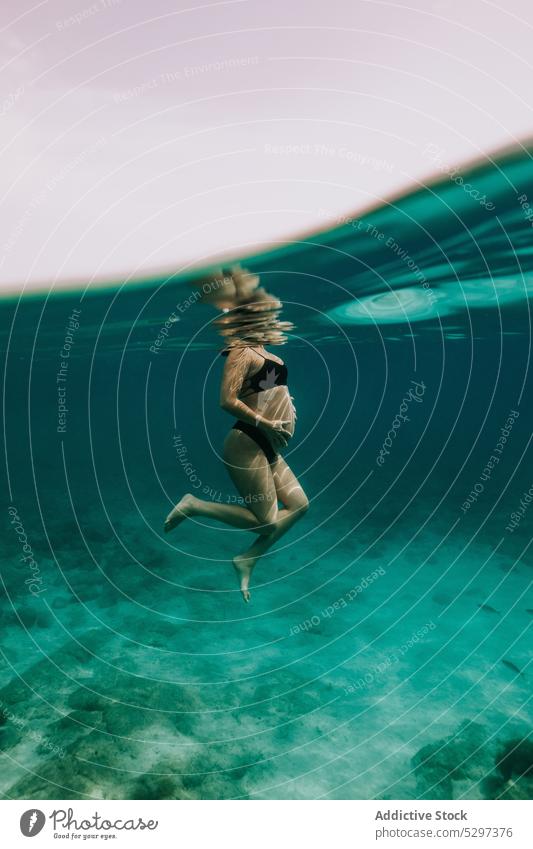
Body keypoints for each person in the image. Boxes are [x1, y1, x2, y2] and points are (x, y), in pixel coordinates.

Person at [164, 340, 309, 602]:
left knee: (299, 505)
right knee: (265, 523)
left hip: (267, 444)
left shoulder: (265, 351)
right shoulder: (241, 351)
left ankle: (248, 559)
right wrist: (267, 422)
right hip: (247, 443)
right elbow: (227, 400)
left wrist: (285, 400)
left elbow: (264, 390)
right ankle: (194, 505)